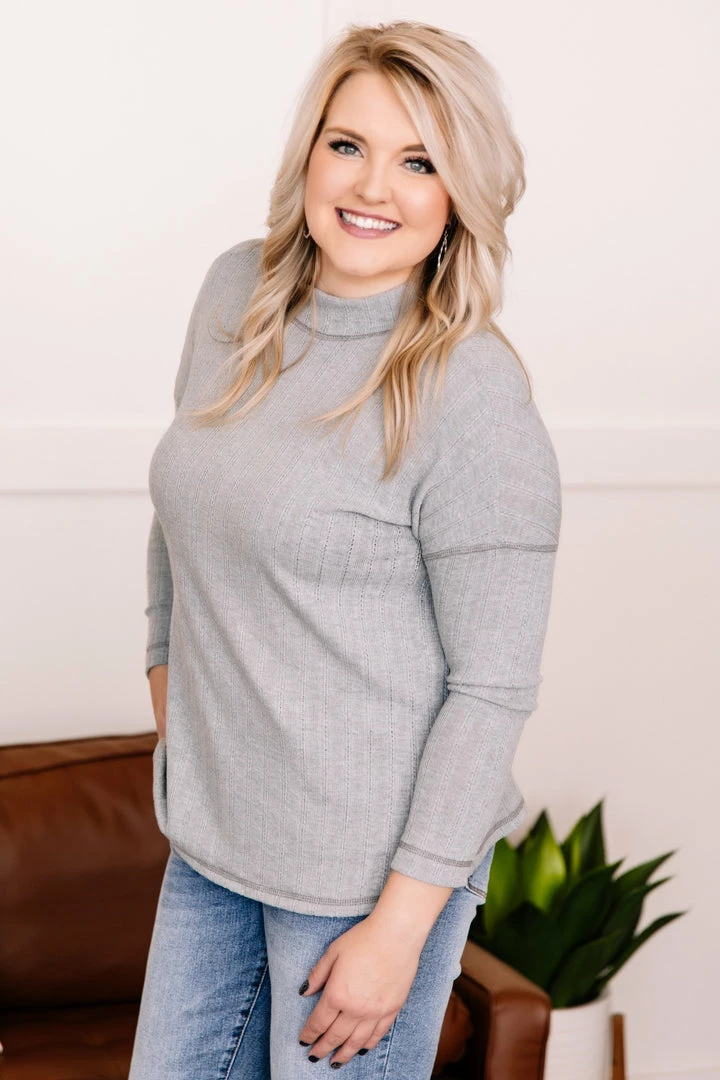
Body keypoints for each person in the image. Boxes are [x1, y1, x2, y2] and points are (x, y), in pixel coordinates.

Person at [129, 18, 562, 1080]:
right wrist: (179, 717)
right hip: (211, 849)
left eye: (420, 161)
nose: (373, 186)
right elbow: (182, 518)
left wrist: (399, 931)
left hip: (366, 885)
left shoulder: (473, 395)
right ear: (309, 153)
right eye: (348, 144)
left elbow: (492, 688)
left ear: (461, 192)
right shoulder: (236, 295)